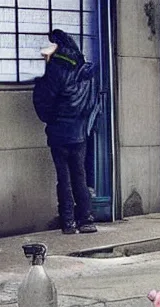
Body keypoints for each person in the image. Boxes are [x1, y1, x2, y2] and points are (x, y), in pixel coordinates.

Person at [33, 29, 98, 234]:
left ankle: (68, 220)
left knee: (64, 177)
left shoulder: (55, 70)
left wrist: (51, 119)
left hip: (59, 132)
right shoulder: (85, 69)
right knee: (80, 175)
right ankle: (86, 219)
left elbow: (45, 103)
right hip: (79, 131)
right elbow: (90, 103)